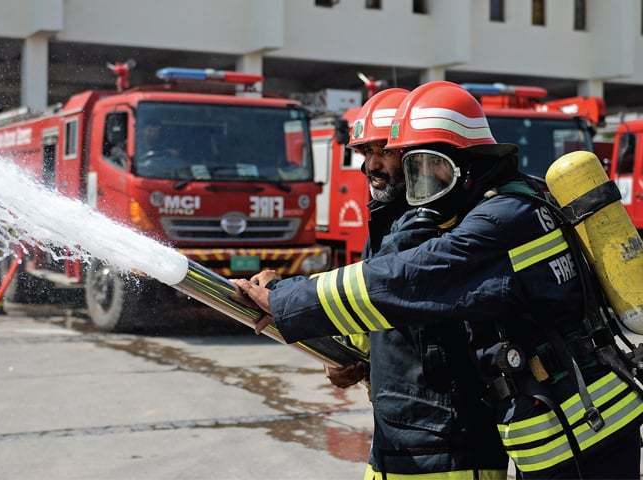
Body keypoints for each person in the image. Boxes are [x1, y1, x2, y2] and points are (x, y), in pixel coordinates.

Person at [235, 81, 643, 479]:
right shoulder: (518, 200)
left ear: (466, 163)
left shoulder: (497, 220)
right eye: (414, 166)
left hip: (579, 427)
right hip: (568, 421)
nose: (421, 179)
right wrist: (350, 353)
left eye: (431, 165)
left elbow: (405, 280)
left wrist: (288, 299)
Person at [249, 87, 509, 479]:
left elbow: (397, 292)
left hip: (450, 452)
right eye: (365, 153)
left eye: (383, 151)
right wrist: (347, 356)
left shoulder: (446, 226)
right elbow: (385, 316)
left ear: (419, 153)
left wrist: (290, 298)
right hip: (396, 442)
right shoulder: (391, 222)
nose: (371, 165)